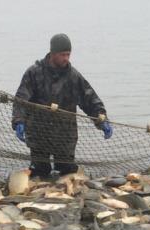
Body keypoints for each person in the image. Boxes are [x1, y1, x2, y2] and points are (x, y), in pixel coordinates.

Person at [12, 33, 112, 178]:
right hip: (38, 133)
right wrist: (18, 121)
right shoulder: (34, 73)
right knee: (39, 172)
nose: (66, 58)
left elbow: (90, 99)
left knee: (67, 172)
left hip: (65, 135)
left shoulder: (73, 76)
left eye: (68, 54)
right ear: (52, 53)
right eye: (62, 54)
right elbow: (21, 99)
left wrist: (101, 119)